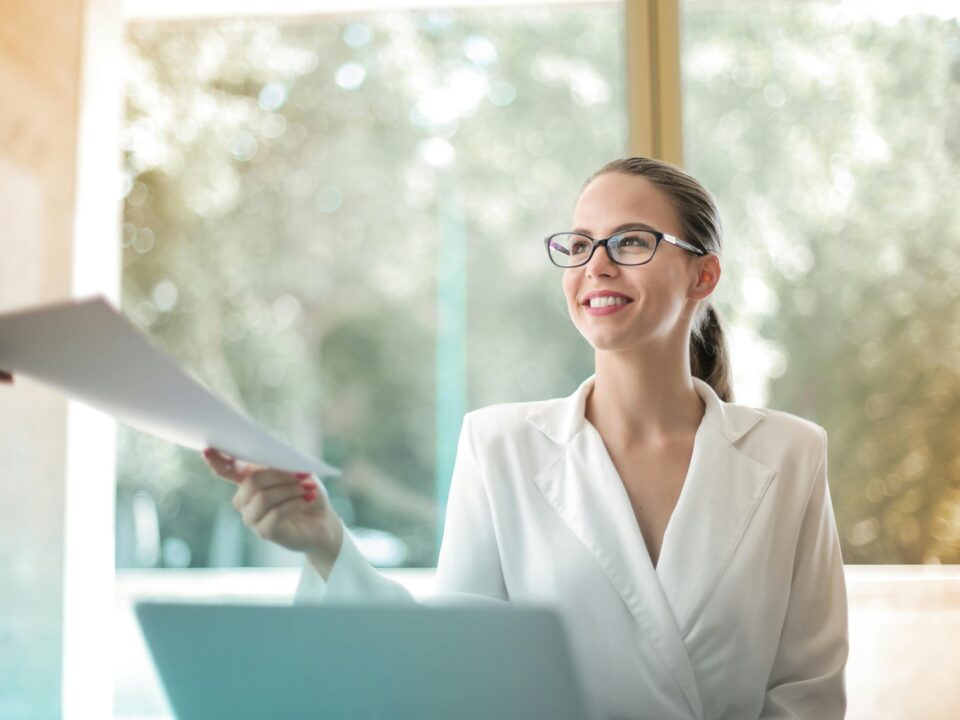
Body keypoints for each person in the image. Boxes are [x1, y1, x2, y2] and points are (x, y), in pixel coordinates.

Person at [203, 156, 848, 720]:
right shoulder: (498, 446)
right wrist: (327, 546)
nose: (596, 265)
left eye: (630, 242)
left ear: (703, 276)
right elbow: (452, 671)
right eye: (579, 244)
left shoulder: (790, 455)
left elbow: (807, 692)